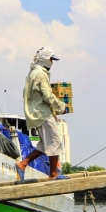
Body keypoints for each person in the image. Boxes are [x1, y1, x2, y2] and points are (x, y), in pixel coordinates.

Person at [16, 47, 67, 180]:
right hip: (42, 113)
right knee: (55, 142)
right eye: (51, 59)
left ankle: (23, 164)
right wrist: (61, 107)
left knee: (45, 144)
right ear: (45, 58)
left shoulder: (33, 72)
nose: (52, 62)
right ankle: (53, 173)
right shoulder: (40, 73)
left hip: (35, 112)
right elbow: (48, 95)